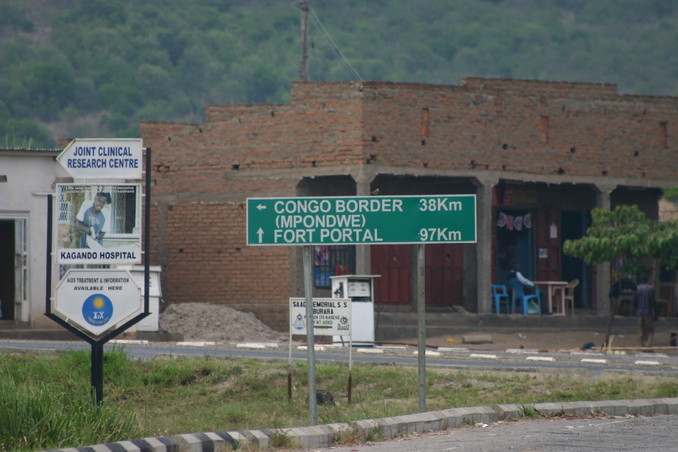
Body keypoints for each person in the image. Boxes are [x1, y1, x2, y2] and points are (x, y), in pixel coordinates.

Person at [633, 275, 656, 348]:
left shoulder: (636, 288)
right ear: (647, 280)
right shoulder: (651, 289)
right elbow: (653, 301)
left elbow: (634, 301)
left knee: (641, 329)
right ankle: (648, 344)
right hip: (648, 312)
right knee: (650, 329)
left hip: (639, 312)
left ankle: (642, 344)